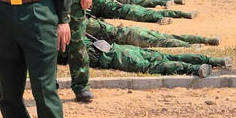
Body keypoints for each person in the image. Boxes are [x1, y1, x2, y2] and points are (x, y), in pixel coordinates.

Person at [87, 40, 224, 78]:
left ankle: (194, 69)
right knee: (168, 57)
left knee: (153, 67)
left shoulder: (74, 47)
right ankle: (214, 60)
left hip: (118, 57)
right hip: (120, 48)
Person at [86, 16, 219, 48]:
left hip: (130, 37)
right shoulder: (90, 21)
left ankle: (192, 46)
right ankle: (207, 40)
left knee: (162, 41)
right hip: (129, 31)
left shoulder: (86, 24)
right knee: (169, 37)